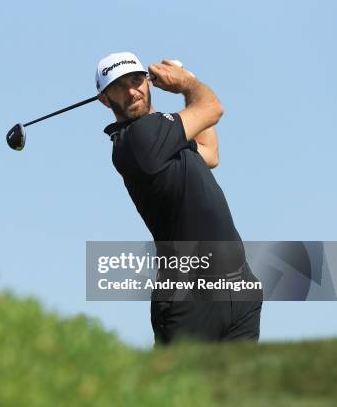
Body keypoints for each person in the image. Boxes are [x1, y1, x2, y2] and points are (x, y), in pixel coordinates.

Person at [95, 52, 263, 345]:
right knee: (181, 390)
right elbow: (212, 108)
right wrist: (187, 84)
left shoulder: (165, 135)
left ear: (148, 82)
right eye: (119, 86)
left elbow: (210, 153)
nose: (132, 90)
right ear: (105, 100)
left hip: (239, 287)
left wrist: (191, 84)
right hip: (191, 298)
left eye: (137, 80)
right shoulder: (140, 138)